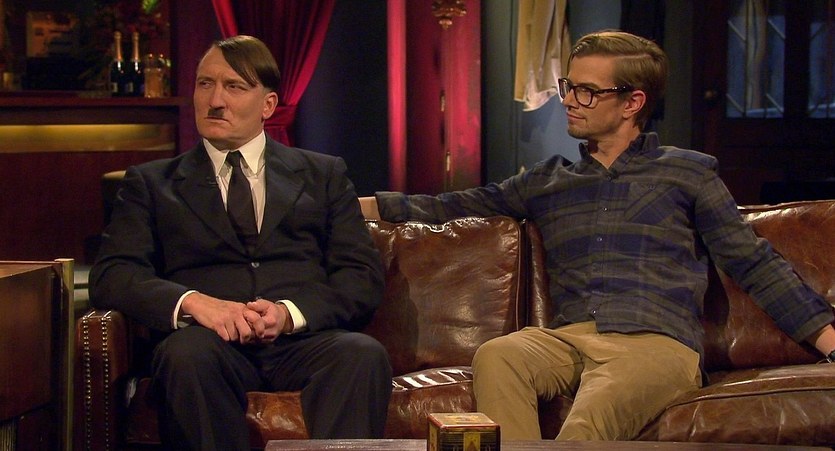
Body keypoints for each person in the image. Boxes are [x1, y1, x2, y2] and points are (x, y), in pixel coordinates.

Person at [360, 30, 835, 441]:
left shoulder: (687, 173)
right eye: (569, 86)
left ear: (632, 103)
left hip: (655, 343)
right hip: (568, 338)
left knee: (585, 427)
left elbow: (751, 260)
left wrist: (828, 338)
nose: (569, 100)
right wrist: (346, 205)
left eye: (586, 92)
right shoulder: (547, 182)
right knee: (500, 355)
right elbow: (449, 207)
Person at [90, 35, 392, 451]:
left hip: (302, 341)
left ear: (267, 105)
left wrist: (287, 314)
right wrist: (195, 303)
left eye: (233, 86)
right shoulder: (152, 183)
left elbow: (360, 276)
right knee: (185, 356)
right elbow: (113, 274)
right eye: (205, 84)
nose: (215, 101)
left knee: (361, 354)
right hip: (206, 342)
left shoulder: (322, 175)